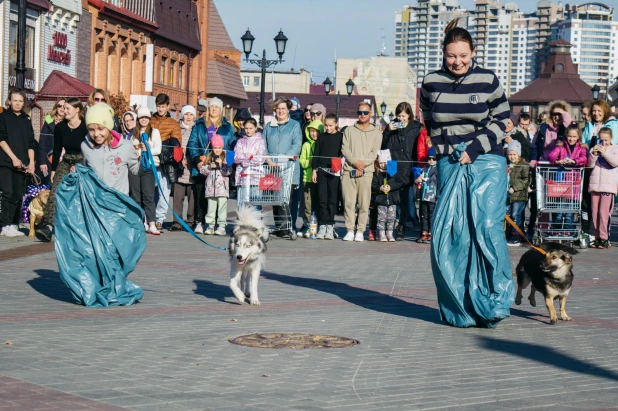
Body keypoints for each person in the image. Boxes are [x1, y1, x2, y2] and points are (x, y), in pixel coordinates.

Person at [420, 18, 513, 328]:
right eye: (451, 56)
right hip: (450, 162)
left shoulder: (487, 79)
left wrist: (473, 149)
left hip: (487, 159)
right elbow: (430, 121)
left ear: (473, 52)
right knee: (456, 233)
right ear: (443, 54)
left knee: (486, 226)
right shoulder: (431, 81)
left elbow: (502, 120)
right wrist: (445, 150)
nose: (457, 62)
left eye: (463, 56)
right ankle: (461, 307)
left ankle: (494, 302)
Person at [36, 97, 88, 242]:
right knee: (55, 191)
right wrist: (54, 171)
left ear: (77, 110)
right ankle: (49, 227)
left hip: (82, 160)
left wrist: (79, 166)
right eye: (63, 108)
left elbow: (90, 150)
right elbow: (57, 149)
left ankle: (81, 227)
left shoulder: (85, 127)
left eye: (67, 109)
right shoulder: (60, 128)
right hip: (66, 161)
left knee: (80, 193)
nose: (64, 111)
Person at [188, 97, 234, 232]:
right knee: (201, 194)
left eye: (217, 107)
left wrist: (228, 163)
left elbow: (232, 145)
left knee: (219, 198)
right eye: (211, 107)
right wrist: (197, 160)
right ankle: (200, 222)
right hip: (203, 165)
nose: (214, 109)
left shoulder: (227, 126)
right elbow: (192, 143)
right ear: (208, 109)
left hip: (220, 169)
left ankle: (218, 224)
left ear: (221, 110)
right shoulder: (199, 124)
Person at [341, 102, 382, 242]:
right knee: (348, 202)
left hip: (367, 170)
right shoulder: (349, 130)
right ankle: (349, 230)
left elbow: (375, 151)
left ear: (370, 114)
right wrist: (355, 162)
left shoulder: (376, 131)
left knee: (364, 203)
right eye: (360, 112)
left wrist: (362, 164)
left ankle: (360, 230)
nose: (362, 115)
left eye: (365, 112)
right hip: (349, 170)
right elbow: (345, 148)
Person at [381, 102, 422, 240]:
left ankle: (402, 226)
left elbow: (419, 147)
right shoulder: (392, 127)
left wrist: (419, 167)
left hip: (408, 165)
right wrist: (387, 131)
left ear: (409, 115)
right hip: (393, 164)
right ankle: (393, 225)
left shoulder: (415, 127)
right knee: (393, 196)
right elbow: (383, 146)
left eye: (403, 116)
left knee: (407, 198)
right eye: (399, 116)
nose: (400, 119)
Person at [263, 97, 303, 235]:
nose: (280, 111)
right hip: (272, 168)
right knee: (275, 198)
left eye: (283, 109)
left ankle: (288, 227)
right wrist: (269, 160)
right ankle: (279, 227)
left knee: (286, 199)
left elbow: (297, 145)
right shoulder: (269, 126)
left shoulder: (294, 125)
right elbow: (264, 145)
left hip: (288, 168)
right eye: (278, 108)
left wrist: (283, 159)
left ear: (288, 110)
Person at [0, 89, 36, 237]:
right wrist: (13, 158)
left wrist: (32, 162)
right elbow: (1, 139)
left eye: (20, 101)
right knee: (7, 192)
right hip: (6, 160)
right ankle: (4, 225)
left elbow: (31, 143)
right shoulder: (3, 117)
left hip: (23, 163)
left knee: (17, 194)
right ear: (9, 101)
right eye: (15, 100)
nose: (17, 103)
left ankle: (13, 224)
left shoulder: (26, 120)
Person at [82, 103, 139, 191]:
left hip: (119, 201)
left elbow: (136, 170)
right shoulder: (85, 146)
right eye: (91, 130)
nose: (96, 134)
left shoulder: (126, 146)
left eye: (101, 129)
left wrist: (145, 158)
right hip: (96, 201)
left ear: (109, 127)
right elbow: (85, 170)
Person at [150, 93, 181, 231]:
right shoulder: (150, 120)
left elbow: (177, 144)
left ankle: (159, 218)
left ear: (168, 106)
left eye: (163, 106)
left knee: (163, 190)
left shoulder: (174, 123)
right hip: (150, 159)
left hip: (165, 163)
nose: (160, 109)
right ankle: (149, 216)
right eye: (158, 106)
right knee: (150, 190)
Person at [129, 107, 161, 235]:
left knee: (148, 195)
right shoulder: (133, 133)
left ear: (149, 119)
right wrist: (135, 151)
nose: (144, 120)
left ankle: (152, 222)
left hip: (148, 166)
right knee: (136, 196)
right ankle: (140, 222)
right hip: (136, 166)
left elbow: (158, 149)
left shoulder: (154, 132)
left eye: (146, 117)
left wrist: (146, 149)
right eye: (141, 117)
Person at [312, 114, 343, 241]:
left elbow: (343, 152)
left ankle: (330, 225)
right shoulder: (322, 137)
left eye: (330, 125)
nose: (328, 128)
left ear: (336, 124)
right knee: (322, 198)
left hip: (335, 170)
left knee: (332, 199)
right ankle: (322, 225)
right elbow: (316, 153)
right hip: (322, 170)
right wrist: (314, 170)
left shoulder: (341, 136)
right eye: (326, 125)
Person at [587, 127, 617, 249]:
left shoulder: (615, 149)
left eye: (606, 140)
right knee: (595, 213)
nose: (603, 142)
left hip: (608, 186)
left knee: (604, 213)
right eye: (601, 139)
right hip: (595, 185)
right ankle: (596, 237)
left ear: (611, 139)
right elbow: (589, 165)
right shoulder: (594, 148)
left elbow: (615, 162)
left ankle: (604, 238)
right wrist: (594, 155)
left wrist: (605, 151)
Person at [170, 105, 197, 232]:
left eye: (191, 115)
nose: (188, 117)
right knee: (178, 197)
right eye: (186, 114)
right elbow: (173, 145)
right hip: (179, 166)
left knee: (192, 198)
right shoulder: (177, 128)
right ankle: (177, 222)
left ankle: (191, 221)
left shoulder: (196, 129)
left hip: (193, 167)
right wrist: (179, 159)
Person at [200, 134, 230, 235]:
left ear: (222, 147)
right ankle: (210, 226)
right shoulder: (209, 157)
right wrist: (209, 167)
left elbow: (229, 172)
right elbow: (202, 170)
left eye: (219, 148)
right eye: (215, 148)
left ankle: (221, 226)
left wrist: (221, 165)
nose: (217, 150)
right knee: (211, 208)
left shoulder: (226, 157)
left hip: (222, 189)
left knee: (222, 208)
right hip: (210, 189)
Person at [299, 119, 323, 238]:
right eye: (312, 131)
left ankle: (320, 226)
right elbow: (302, 161)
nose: (314, 134)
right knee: (308, 204)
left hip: (320, 179)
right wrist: (310, 162)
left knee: (319, 203)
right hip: (307, 178)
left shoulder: (323, 143)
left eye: (316, 131)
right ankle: (309, 225)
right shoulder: (306, 145)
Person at [234, 118, 266, 208]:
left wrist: (244, 160)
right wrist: (249, 156)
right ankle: (242, 221)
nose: (248, 131)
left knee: (255, 203)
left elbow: (260, 159)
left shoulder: (260, 141)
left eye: (250, 128)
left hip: (256, 176)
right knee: (241, 204)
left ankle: (255, 222)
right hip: (242, 176)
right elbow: (235, 158)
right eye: (246, 128)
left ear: (256, 128)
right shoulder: (240, 141)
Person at [371, 149, 400, 242]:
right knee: (381, 217)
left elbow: (399, 182)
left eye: (385, 162)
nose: (383, 165)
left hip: (392, 199)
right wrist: (380, 188)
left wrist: (391, 187)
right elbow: (373, 185)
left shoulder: (393, 172)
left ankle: (390, 233)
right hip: (381, 199)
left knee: (391, 217)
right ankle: (381, 233)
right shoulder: (377, 173)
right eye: (381, 163)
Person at [505, 141, 530, 246]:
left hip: (518, 195)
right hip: (507, 195)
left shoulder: (523, 165)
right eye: (510, 154)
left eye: (514, 154)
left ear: (518, 154)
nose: (512, 157)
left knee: (516, 215)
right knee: (508, 215)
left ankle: (516, 237)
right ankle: (509, 235)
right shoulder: (506, 165)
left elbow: (526, 180)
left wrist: (515, 188)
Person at [39, 97, 66, 184]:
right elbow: (42, 143)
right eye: (59, 106)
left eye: (64, 106)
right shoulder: (49, 121)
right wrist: (43, 162)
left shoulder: (69, 123)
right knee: (49, 185)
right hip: (49, 160)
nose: (62, 108)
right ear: (56, 107)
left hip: (64, 160)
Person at [415, 147, 438, 244]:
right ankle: (424, 232)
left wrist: (424, 179)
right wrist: (417, 179)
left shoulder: (438, 169)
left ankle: (431, 233)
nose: (431, 161)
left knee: (432, 215)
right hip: (424, 196)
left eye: (434, 158)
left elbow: (435, 181)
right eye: (429, 158)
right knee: (423, 214)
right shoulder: (424, 168)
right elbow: (418, 179)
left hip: (433, 196)